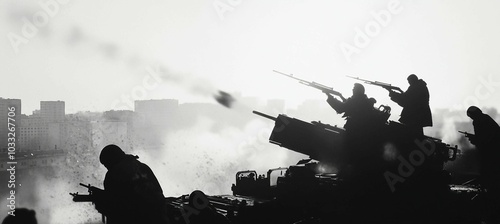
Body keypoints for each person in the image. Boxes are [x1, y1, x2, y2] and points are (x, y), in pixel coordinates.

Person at [95, 144, 168, 224]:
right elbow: (158, 191)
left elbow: (115, 207)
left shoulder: (114, 174)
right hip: (159, 217)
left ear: (110, 161)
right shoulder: (143, 167)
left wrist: (100, 201)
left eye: (106, 164)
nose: (107, 167)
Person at [466, 106, 500, 223]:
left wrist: (474, 140)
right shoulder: (485, 118)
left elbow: (482, 139)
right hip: (494, 149)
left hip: (490, 151)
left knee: (488, 171)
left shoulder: (478, 121)